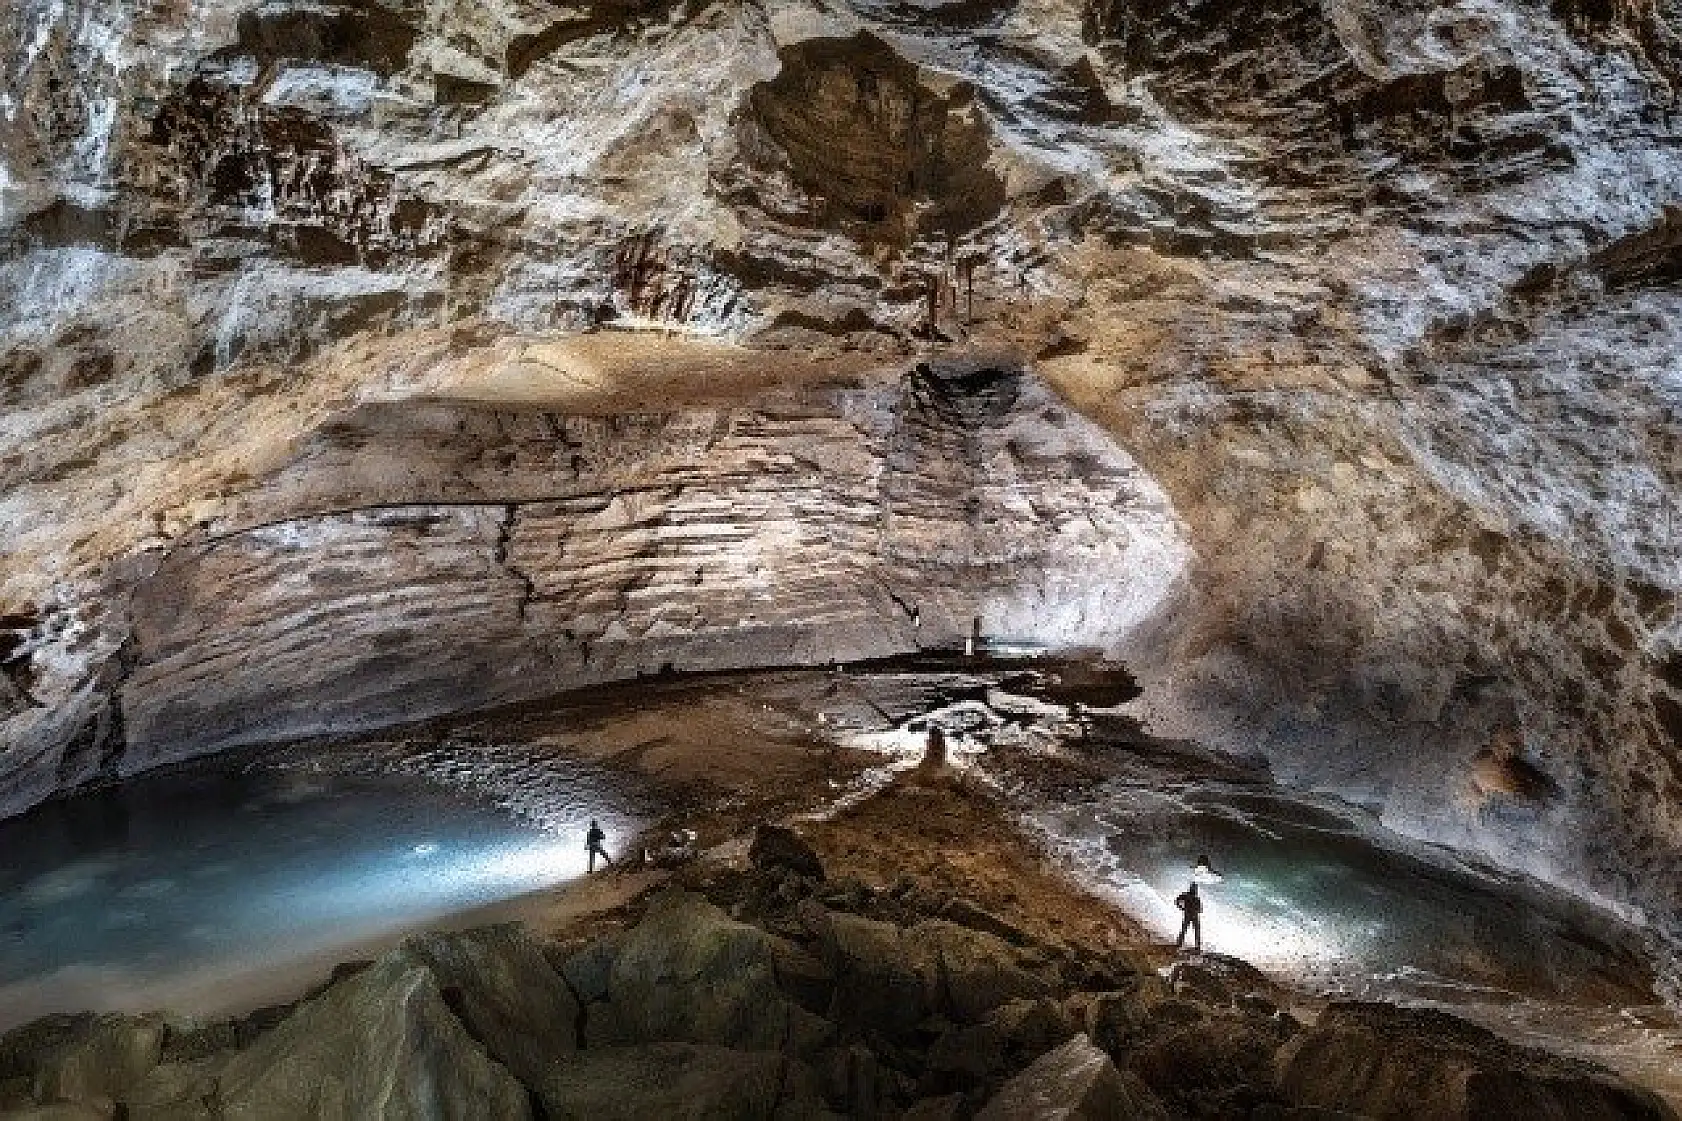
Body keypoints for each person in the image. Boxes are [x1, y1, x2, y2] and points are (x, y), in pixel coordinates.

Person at [1173, 882, 1202, 953]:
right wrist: (1181, 907)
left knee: (1186, 930)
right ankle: (1196, 946)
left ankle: (1180, 943)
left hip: (1190, 915)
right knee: (1194, 931)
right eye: (1195, 888)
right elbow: (1200, 910)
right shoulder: (1193, 897)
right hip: (1192, 915)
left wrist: (1181, 907)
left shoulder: (1188, 896)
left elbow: (1200, 909)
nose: (1195, 890)